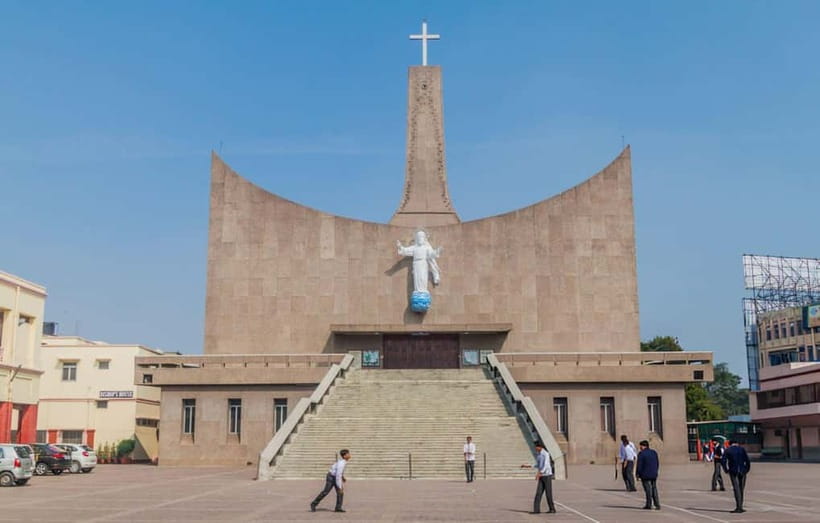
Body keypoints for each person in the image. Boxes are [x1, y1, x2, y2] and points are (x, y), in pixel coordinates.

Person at [520, 441, 556, 514]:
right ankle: (536, 510)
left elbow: (546, 465)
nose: (535, 448)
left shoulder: (545, 454)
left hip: (547, 476)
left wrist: (540, 473)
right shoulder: (539, 454)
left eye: (536, 447)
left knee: (548, 493)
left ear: (540, 447)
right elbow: (538, 465)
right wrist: (528, 466)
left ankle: (552, 509)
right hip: (541, 476)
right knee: (538, 493)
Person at [310, 449, 351, 513]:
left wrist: (342, 477)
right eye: (348, 454)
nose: (349, 455)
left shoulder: (343, 462)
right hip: (331, 477)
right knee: (326, 492)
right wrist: (340, 487)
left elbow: (338, 472)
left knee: (340, 493)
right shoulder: (341, 464)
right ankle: (313, 504)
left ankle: (338, 508)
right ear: (344, 456)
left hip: (334, 476)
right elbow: (338, 476)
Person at [722, 440, 751, 513]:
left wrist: (726, 470)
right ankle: (740, 506)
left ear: (730, 444)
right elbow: (747, 460)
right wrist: (747, 469)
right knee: (741, 488)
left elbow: (723, 461)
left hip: (733, 471)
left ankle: (738, 507)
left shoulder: (728, 450)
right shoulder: (742, 449)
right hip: (742, 470)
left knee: (736, 488)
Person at [635, 440, 660, 510]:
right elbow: (657, 463)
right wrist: (655, 471)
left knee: (648, 490)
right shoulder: (654, 452)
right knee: (654, 489)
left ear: (644, 446)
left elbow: (639, 465)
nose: (640, 447)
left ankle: (649, 504)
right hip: (654, 474)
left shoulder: (641, 454)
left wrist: (637, 474)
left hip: (645, 474)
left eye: (641, 446)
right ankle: (657, 504)